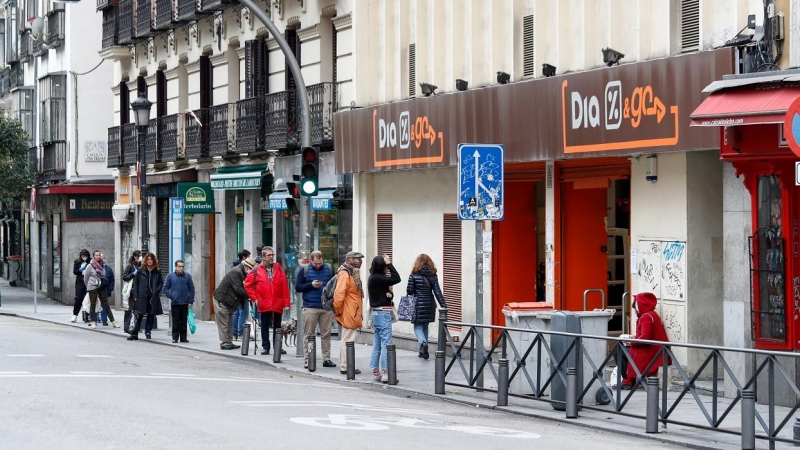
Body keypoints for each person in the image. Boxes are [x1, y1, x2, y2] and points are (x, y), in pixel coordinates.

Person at [244, 247, 290, 356]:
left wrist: (286, 303)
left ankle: (278, 346)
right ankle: (266, 347)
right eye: (269, 255)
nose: (271, 257)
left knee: (278, 326)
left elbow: (284, 287)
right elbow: (247, 285)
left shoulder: (279, 269)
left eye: (272, 255)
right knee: (264, 325)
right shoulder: (256, 270)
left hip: (277, 301)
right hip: (264, 302)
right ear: (263, 257)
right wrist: (255, 298)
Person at [295, 250, 336, 369]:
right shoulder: (304, 270)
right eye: (315, 263)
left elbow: (335, 284)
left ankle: (326, 359)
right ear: (311, 260)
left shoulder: (329, 268)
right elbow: (298, 287)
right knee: (309, 334)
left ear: (323, 259)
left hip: (326, 307)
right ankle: (308, 359)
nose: (318, 265)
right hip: (310, 307)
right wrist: (310, 285)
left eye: (320, 263)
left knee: (326, 334)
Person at [622, 292, 669, 389]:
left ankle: (629, 380)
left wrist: (630, 342)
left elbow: (645, 338)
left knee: (621, 352)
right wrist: (634, 338)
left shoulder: (646, 317)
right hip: (657, 349)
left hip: (652, 351)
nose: (635, 311)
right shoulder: (652, 314)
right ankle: (629, 379)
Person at [367, 254, 401, 382]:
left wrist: (389, 295)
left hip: (376, 313)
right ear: (383, 267)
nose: (387, 269)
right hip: (383, 313)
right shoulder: (379, 278)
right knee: (386, 342)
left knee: (377, 342)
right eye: (386, 267)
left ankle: (376, 370)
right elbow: (397, 278)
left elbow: (383, 294)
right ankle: (386, 371)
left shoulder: (372, 278)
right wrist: (390, 263)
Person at [406, 254, 446, 360]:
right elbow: (437, 291)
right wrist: (443, 304)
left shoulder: (413, 275)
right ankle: (422, 351)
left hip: (417, 305)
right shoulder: (433, 275)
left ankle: (423, 343)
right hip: (429, 305)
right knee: (425, 326)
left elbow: (409, 291)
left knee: (418, 326)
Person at [333, 251, 365, 375]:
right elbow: (339, 294)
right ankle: (345, 366)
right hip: (349, 311)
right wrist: (339, 311)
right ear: (350, 260)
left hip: (352, 311)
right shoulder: (345, 273)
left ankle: (347, 365)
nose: (360, 261)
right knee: (347, 340)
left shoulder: (353, 272)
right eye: (358, 259)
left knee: (348, 339)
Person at [213, 257, 255, 350]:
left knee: (229, 322)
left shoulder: (244, 273)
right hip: (222, 299)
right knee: (224, 322)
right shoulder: (236, 272)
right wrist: (251, 296)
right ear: (245, 265)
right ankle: (224, 342)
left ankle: (229, 341)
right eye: (249, 268)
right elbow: (238, 288)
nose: (250, 270)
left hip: (231, 301)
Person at [127, 253, 164, 341]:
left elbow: (160, 283)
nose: (149, 261)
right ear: (145, 261)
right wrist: (135, 295)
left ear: (154, 260)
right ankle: (134, 333)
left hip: (153, 297)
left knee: (151, 314)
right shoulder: (140, 270)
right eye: (148, 259)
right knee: (139, 314)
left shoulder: (157, 271)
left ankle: (148, 331)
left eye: (151, 259)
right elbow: (136, 283)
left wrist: (157, 290)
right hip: (142, 296)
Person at [162, 259, 195, 343]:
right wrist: (172, 296)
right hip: (175, 302)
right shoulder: (170, 276)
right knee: (176, 321)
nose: (181, 268)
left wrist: (191, 301)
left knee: (184, 321)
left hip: (185, 302)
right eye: (179, 266)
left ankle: (183, 338)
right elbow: (165, 288)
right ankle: (175, 337)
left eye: (182, 267)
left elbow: (191, 289)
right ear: (176, 267)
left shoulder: (187, 276)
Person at [84, 250, 118, 329]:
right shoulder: (90, 266)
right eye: (96, 255)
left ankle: (113, 321)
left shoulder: (103, 265)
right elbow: (86, 278)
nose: (98, 256)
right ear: (93, 256)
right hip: (92, 287)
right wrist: (88, 287)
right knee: (93, 304)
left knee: (106, 304)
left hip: (101, 286)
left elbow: (105, 276)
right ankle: (93, 321)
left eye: (99, 255)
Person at [232, 249, 252, 341]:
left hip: (235, 294)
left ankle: (235, 333)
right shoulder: (242, 269)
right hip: (241, 294)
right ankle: (240, 333)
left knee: (236, 313)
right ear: (244, 258)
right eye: (248, 257)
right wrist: (248, 295)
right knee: (243, 313)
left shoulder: (234, 266)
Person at [70, 249, 90, 323]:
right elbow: (74, 272)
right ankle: (75, 315)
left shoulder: (90, 262)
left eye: (85, 256)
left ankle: (89, 315)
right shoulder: (77, 262)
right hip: (80, 281)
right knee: (79, 298)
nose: (84, 257)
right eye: (83, 256)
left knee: (89, 298)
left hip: (88, 281)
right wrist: (80, 270)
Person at [98, 253, 115, 326]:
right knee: (95, 305)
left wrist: (110, 289)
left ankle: (104, 320)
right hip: (96, 289)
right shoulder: (93, 267)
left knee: (104, 305)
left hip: (105, 289)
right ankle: (94, 320)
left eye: (103, 258)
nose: (102, 260)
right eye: (101, 258)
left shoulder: (108, 268)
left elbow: (112, 279)